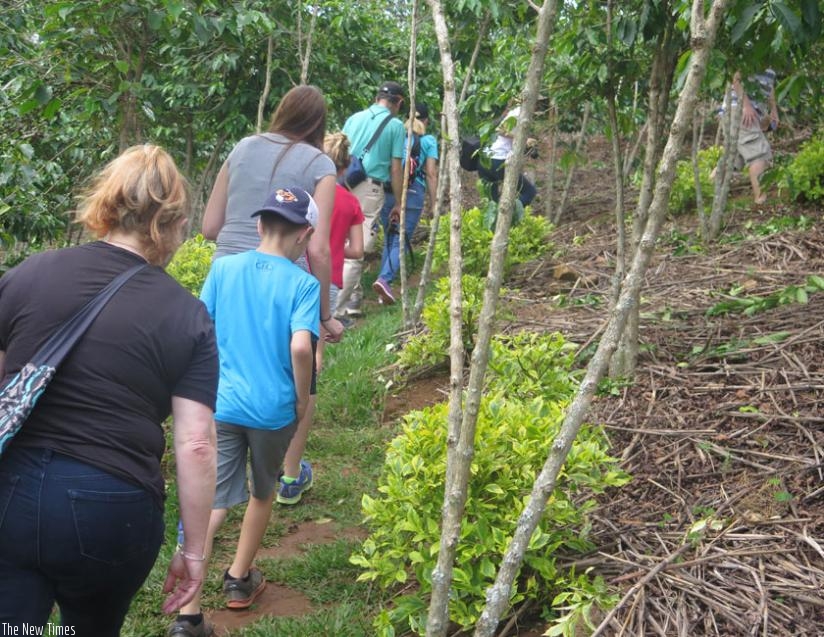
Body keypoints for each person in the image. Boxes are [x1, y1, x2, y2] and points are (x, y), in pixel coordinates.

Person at [0, 144, 218, 636]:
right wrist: (194, 552)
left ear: (106, 203)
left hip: (12, 493)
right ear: (172, 223)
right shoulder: (187, 316)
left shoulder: (28, 274)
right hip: (111, 506)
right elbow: (197, 442)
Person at [169, 187, 320, 637]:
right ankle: (238, 579)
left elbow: (201, 331)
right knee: (262, 490)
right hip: (273, 410)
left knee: (212, 501)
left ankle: (188, 613)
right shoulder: (304, 285)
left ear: (258, 225)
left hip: (224, 402)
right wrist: (300, 396)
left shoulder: (223, 269)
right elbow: (300, 346)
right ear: (305, 236)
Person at [201, 84, 341, 509]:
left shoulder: (241, 147)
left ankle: (212, 477)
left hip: (228, 277)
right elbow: (317, 247)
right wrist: (324, 314)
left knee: (222, 370)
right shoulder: (321, 164)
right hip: (286, 282)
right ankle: (290, 475)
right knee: (300, 378)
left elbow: (210, 227)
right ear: (319, 124)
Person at [336, 80, 407, 318]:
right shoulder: (396, 126)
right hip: (370, 190)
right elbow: (396, 168)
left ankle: (352, 299)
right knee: (357, 250)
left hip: (343, 183)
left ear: (377, 97)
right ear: (399, 102)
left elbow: (339, 150)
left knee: (340, 241)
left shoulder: (354, 118)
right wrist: (398, 202)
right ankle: (335, 312)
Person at [373, 102, 439, 305]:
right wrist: (434, 202)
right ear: (426, 120)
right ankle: (384, 279)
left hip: (389, 192)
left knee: (391, 237)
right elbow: (430, 173)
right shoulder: (428, 141)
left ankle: (382, 286)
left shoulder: (396, 136)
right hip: (412, 193)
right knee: (401, 240)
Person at [322, 132, 365, 328]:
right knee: (318, 345)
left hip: (299, 274)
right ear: (346, 167)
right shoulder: (351, 202)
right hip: (329, 279)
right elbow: (357, 251)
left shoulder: (306, 192)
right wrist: (337, 245)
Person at [729, 69, 779, 204]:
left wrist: (773, 110)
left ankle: (707, 190)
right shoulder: (751, 48)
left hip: (751, 112)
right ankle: (761, 200)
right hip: (742, 111)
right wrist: (746, 106)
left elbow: (769, 85)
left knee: (732, 159)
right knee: (759, 154)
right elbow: (736, 78)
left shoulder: (773, 54)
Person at [478, 103, 538, 208]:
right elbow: (500, 130)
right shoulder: (519, 112)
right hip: (497, 160)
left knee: (491, 204)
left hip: (484, 160)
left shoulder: (510, 113)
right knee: (529, 192)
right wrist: (524, 138)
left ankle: (498, 221)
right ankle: (510, 215)